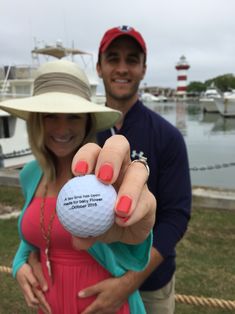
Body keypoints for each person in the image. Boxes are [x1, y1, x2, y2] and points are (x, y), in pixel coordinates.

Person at [0, 59, 156, 314]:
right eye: (50, 116)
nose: (62, 128)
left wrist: (137, 229)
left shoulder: (105, 180)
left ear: (87, 122)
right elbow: (32, 236)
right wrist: (19, 263)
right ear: (36, 122)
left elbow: (134, 259)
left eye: (73, 116)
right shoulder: (30, 174)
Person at [84, 25, 190, 314]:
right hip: (91, 275)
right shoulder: (82, 130)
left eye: (132, 59)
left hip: (151, 283)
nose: (122, 68)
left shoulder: (168, 136)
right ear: (98, 67)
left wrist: (128, 282)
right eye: (113, 58)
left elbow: (176, 217)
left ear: (144, 69)